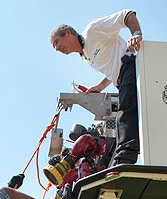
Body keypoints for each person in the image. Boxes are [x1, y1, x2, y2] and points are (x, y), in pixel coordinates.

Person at [50, 10, 142, 165]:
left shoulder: (93, 30)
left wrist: (136, 34)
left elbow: (126, 15)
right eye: (54, 47)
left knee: (124, 113)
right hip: (121, 78)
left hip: (130, 66)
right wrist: (99, 86)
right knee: (130, 114)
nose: (57, 49)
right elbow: (112, 67)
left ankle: (124, 161)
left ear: (68, 33)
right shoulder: (86, 56)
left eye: (57, 42)